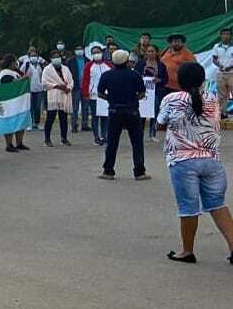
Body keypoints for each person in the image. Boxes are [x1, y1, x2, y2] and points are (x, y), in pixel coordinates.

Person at [157, 62, 233, 265]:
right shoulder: (212, 98)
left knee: (188, 208)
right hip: (211, 160)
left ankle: (187, 251)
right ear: (203, 80)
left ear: (179, 80)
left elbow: (160, 124)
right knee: (218, 204)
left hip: (183, 161)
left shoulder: (171, 99)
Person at [97, 50, 150, 180]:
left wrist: (111, 99)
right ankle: (139, 172)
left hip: (114, 110)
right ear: (127, 61)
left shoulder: (107, 75)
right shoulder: (135, 75)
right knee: (137, 142)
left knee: (112, 142)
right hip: (132, 110)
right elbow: (142, 93)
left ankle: (108, 171)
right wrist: (133, 99)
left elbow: (100, 93)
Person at [0, 54, 30, 153]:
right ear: (10, 63)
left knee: (20, 121)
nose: (16, 64)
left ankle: (19, 142)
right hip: (8, 102)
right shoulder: (4, 73)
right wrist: (23, 79)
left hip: (18, 102)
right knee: (9, 122)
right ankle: (9, 144)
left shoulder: (15, 72)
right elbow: (10, 85)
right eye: (14, 62)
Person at [136, 44, 169, 142]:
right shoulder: (140, 64)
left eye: (152, 51)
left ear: (157, 53)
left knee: (154, 113)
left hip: (156, 92)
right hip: (143, 93)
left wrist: (159, 80)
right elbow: (135, 77)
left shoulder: (161, 65)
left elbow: (165, 79)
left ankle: (152, 134)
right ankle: (139, 134)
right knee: (141, 113)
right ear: (146, 53)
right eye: (148, 51)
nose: (150, 53)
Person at [42, 50, 73, 146]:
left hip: (64, 95)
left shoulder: (66, 68)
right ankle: (47, 139)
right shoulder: (47, 69)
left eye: (58, 56)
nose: (57, 58)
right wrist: (57, 86)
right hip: (53, 96)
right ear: (51, 59)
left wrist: (68, 88)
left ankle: (64, 138)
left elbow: (71, 80)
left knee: (63, 118)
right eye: (54, 57)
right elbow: (44, 83)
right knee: (50, 118)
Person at [82, 45, 112, 145]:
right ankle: (96, 137)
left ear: (102, 53)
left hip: (106, 95)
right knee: (95, 116)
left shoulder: (109, 65)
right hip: (94, 95)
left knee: (105, 116)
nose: (96, 54)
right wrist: (86, 93)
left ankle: (104, 136)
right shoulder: (88, 66)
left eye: (98, 52)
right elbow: (85, 80)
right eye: (94, 53)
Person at [20, 47, 45, 130]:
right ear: (29, 56)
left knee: (37, 107)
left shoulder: (40, 65)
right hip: (29, 89)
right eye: (32, 55)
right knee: (29, 107)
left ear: (37, 57)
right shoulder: (26, 64)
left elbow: (42, 76)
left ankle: (37, 123)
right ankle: (29, 124)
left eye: (35, 55)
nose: (33, 57)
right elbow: (20, 73)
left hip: (39, 89)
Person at [66, 45, 89, 132]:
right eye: (77, 49)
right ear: (75, 51)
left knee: (85, 107)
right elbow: (67, 74)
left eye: (81, 49)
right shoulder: (70, 62)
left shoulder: (87, 61)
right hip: (75, 87)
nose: (79, 51)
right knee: (75, 107)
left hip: (86, 87)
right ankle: (74, 125)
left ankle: (85, 124)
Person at [211, 28, 233, 118]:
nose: (225, 36)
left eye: (227, 34)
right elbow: (214, 59)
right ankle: (223, 114)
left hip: (232, 73)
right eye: (223, 34)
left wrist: (230, 67)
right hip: (220, 73)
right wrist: (220, 66)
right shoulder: (216, 46)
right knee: (222, 95)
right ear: (221, 35)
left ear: (230, 35)